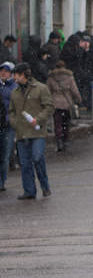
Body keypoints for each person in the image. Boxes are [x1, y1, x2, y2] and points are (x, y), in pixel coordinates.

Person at [8, 62, 54, 199]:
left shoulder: (41, 88)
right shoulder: (14, 93)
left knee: (37, 157)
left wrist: (38, 119)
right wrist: (14, 122)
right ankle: (29, 191)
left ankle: (45, 187)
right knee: (25, 163)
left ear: (23, 75)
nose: (14, 78)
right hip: (21, 133)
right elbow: (11, 111)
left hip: (37, 132)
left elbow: (49, 107)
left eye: (15, 75)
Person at [47, 60, 81, 152]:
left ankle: (59, 141)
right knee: (66, 123)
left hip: (55, 103)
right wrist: (79, 99)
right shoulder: (69, 77)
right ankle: (65, 140)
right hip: (67, 102)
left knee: (57, 123)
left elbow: (48, 91)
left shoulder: (51, 77)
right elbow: (74, 90)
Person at [0, 61, 18, 191]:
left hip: (8, 125)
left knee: (5, 155)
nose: (3, 73)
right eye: (2, 70)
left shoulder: (15, 88)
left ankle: (2, 181)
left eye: (6, 71)